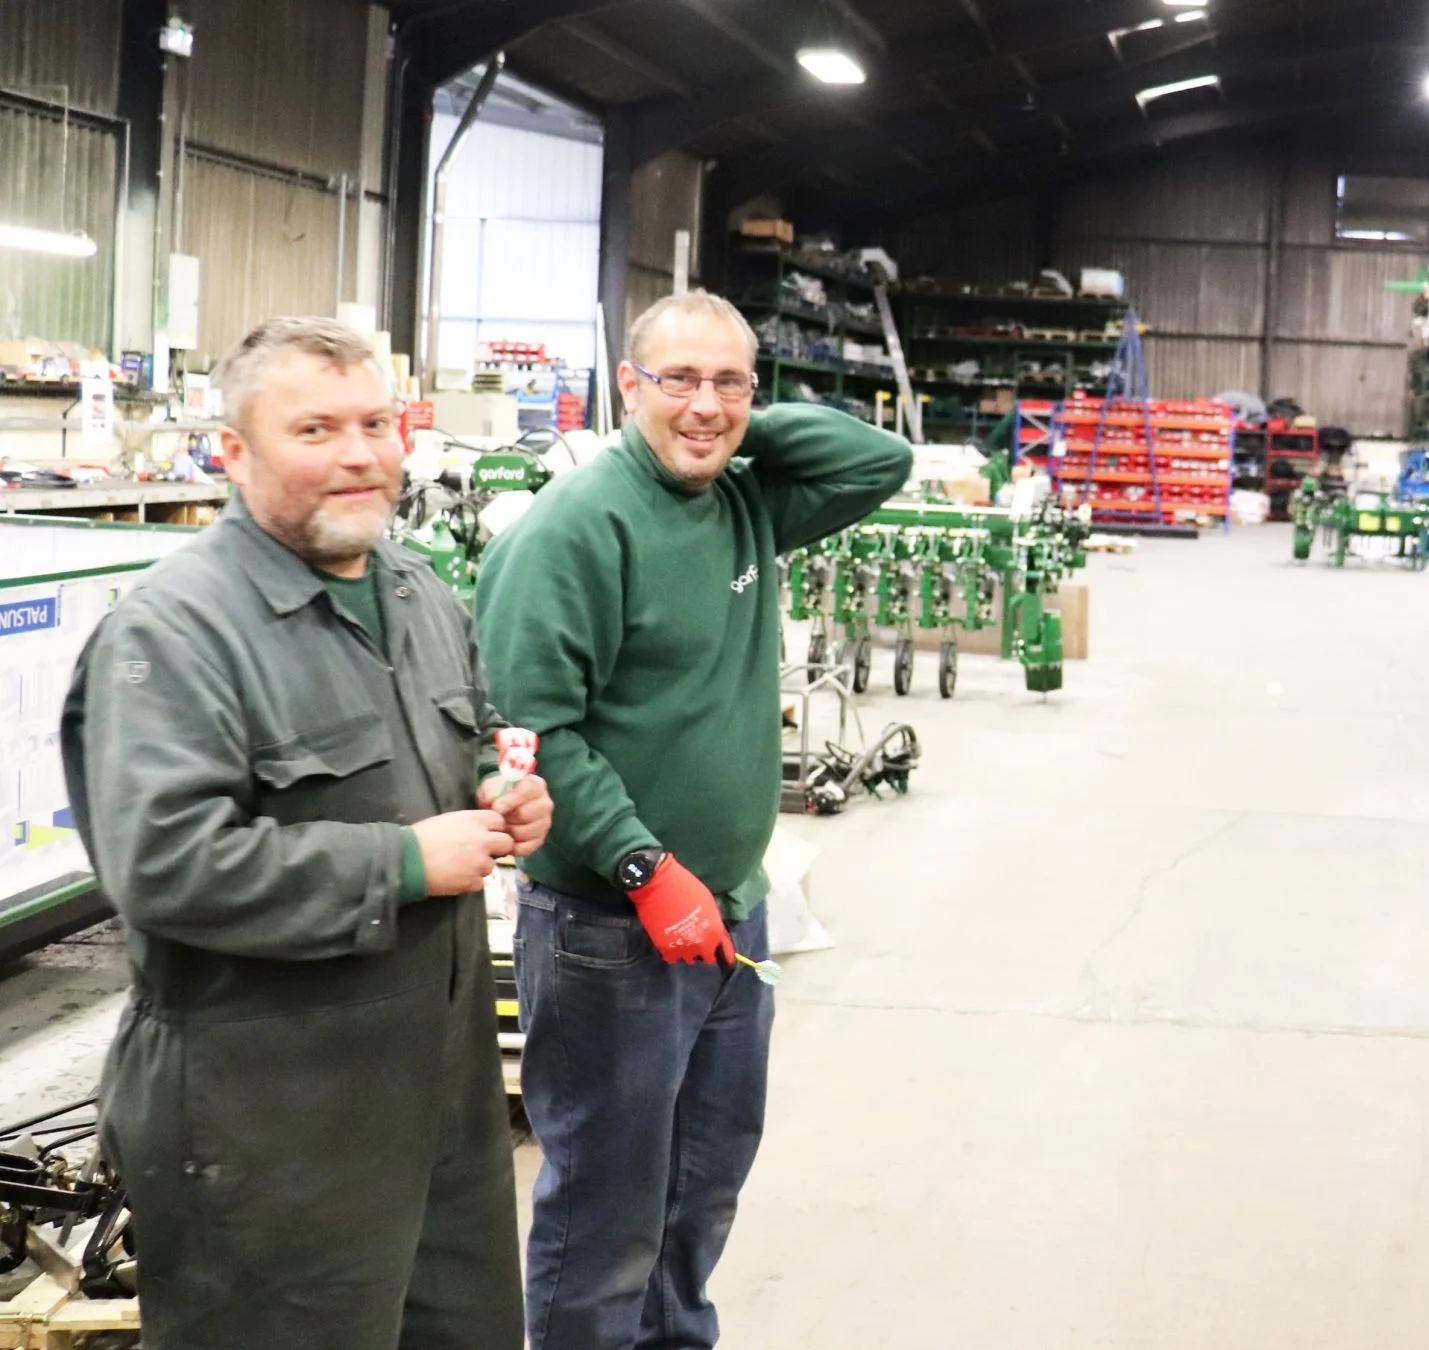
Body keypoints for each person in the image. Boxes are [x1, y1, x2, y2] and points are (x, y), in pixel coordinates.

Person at [60, 317, 551, 1350]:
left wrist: (501, 800)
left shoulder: (419, 597)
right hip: (269, 1127)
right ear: (233, 452)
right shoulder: (175, 632)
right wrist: (409, 861)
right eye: (316, 429)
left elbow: (446, 766)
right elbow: (165, 863)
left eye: (378, 422)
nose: (360, 454)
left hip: (440, 1109)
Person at [477, 290, 911, 1348]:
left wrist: (722, 421)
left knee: (702, 1185)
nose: (705, 405)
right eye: (676, 379)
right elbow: (535, 730)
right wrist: (642, 867)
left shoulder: (746, 503)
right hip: (609, 932)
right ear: (626, 386)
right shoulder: (573, 529)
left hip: (730, 917)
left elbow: (876, 463)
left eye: (730, 382)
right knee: (606, 1209)